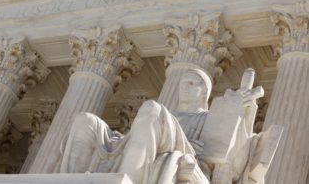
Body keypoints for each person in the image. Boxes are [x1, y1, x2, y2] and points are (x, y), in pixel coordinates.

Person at [60, 68, 279, 184]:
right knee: (85, 121)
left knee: (152, 109)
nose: (184, 87)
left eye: (192, 83)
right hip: (138, 149)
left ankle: (127, 181)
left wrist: (243, 114)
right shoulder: (164, 116)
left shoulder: (208, 118)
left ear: (204, 92)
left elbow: (232, 164)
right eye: (183, 82)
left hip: (187, 157)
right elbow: (135, 143)